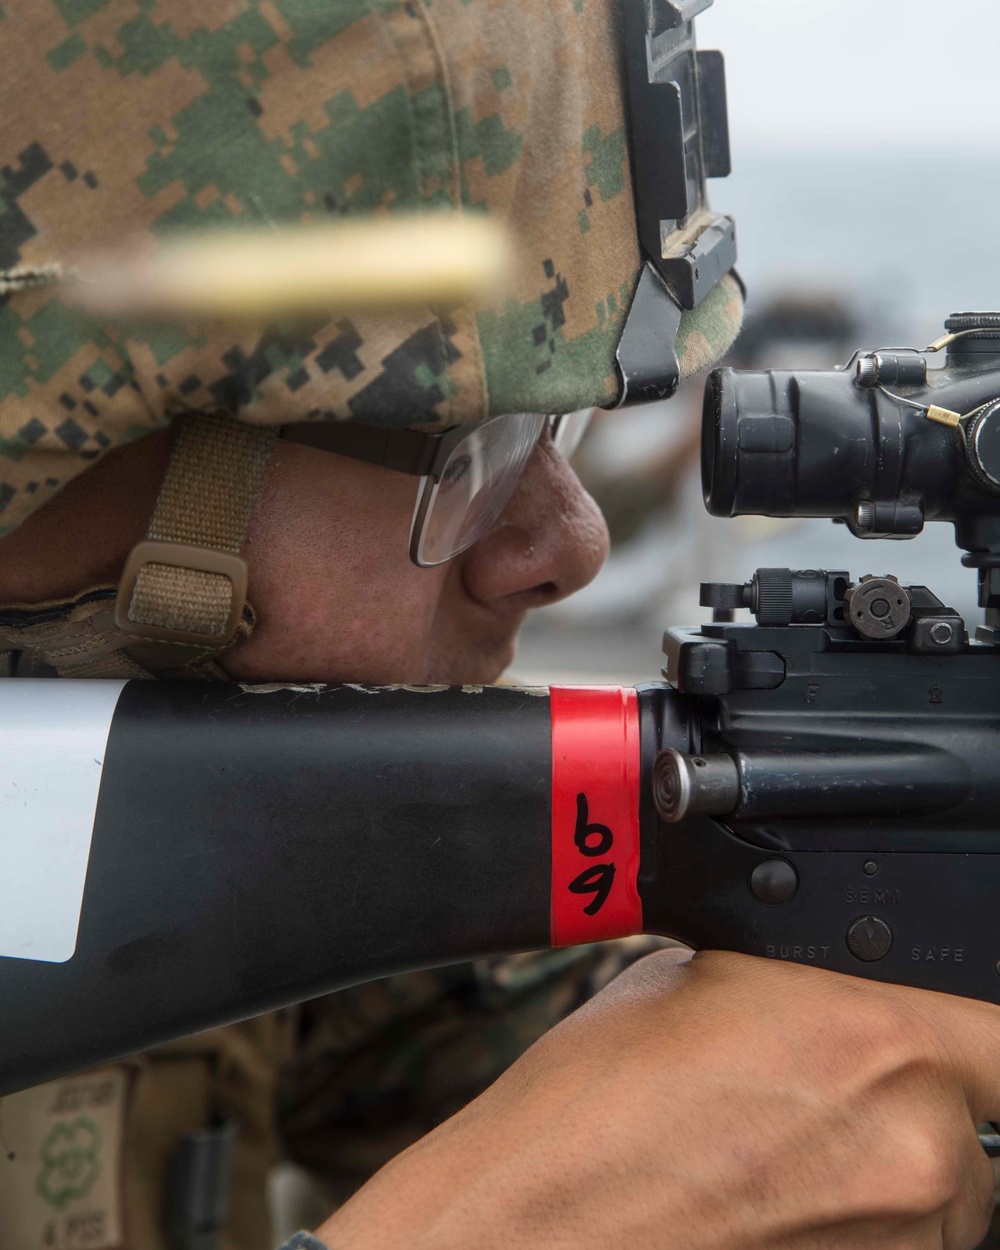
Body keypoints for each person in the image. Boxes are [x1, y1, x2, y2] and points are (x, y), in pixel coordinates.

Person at [0, 5, 998, 1250]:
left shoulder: (236, 852)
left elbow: (500, 1030)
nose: (568, 545)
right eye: (470, 451)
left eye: (557, 428)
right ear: (72, 454)